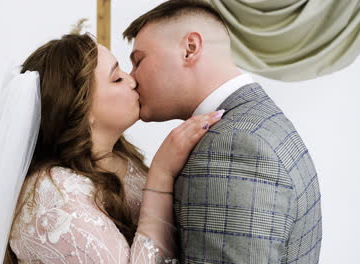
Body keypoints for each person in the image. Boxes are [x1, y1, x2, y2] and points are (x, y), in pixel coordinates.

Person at [123, 0, 322, 263]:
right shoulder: (256, 119)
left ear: (189, 49)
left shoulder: (232, 144)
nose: (132, 77)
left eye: (139, 61)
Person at [4, 32, 224, 263]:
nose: (133, 80)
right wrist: (161, 174)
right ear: (81, 108)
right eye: (117, 78)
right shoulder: (53, 194)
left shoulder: (123, 159)